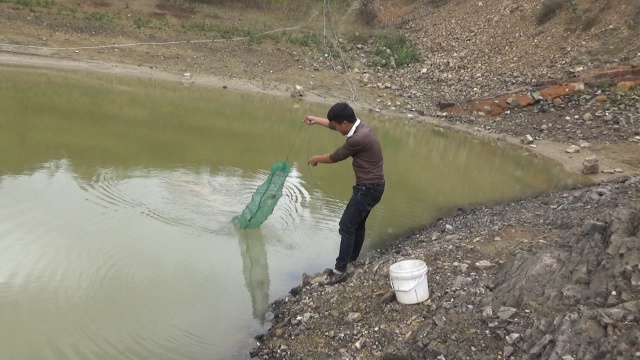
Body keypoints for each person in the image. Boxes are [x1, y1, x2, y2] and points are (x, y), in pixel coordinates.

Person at [304, 102, 385, 283]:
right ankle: (352, 262)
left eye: (337, 125)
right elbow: (335, 125)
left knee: (346, 225)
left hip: (368, 188)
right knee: (358, 225)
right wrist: (315, 120)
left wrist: (316, 159)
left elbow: (336, 156)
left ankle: (340, 270)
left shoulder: (357, 139)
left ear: (345, 123)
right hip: (375, 186)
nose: (336, 128)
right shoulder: (360, 126)